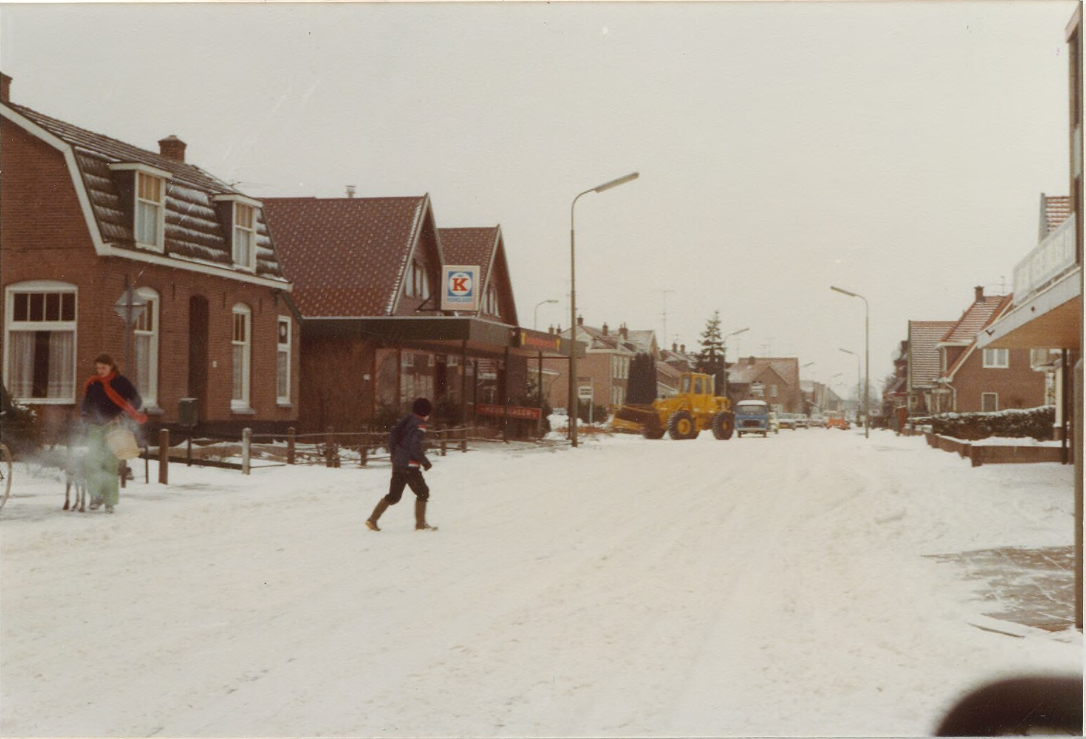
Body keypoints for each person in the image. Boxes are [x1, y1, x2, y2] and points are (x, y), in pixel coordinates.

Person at [80, 353, 146, 513]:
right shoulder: (93, 383)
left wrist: (121, 415)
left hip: (114, 428)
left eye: (103, 368)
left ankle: (109, 501)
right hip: (95, 426)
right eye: (98, 368)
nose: (100, 371)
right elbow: (86, 404)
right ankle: (95, 495)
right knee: (93, 462)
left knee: (110, 463)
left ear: (111, 366)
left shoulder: (121, 382)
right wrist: (86, 416)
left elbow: (136, 400)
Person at [366, 397, 436, 531]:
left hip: (398, 464)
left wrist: (395, 455)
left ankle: (372, 519)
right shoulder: (420, 425)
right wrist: (425, 462)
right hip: (410, 465)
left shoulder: (406, 420)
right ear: (425, 413)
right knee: (423, 492)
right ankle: (420, 524)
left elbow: (392, 438)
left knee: (394, 496)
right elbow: (414, 446)